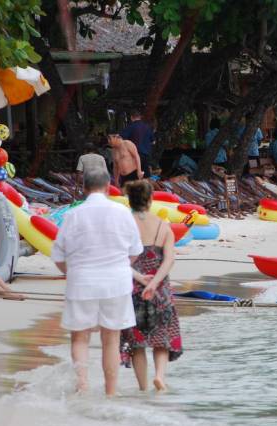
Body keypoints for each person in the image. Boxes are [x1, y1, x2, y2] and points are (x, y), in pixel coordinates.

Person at [52, 168, 143, 396]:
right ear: (108, 186)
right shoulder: (122, 212)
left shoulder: (74, 214)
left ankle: (82, 385)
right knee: (111, 339)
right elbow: (135, 251)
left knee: (80, 337)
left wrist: (71, 273)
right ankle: (110, 391)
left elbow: (58, 255)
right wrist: (120, 266)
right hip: (117, 282)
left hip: (82, 281)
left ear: (84, 188)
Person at [121, 180, 182, 392]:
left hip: (133, 289)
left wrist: (140, 279)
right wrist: (154, 283)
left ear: (130, 200)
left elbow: (119, 259)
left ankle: (143, 388)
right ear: (150, 199)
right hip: (160, 289)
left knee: (137, 343)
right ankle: (159, 376)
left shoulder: (125, 224)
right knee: (161, 338)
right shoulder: (163, 226)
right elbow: (169, 260)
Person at [121, 108, 154, 177]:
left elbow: (121, 140)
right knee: (146, 176)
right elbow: (153, 141)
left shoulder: (130, 127)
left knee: (133, 176)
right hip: (146, 155)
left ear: (131, 117)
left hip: (134, 156)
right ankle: (146, 187)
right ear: (140, 117)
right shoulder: (147, 127)